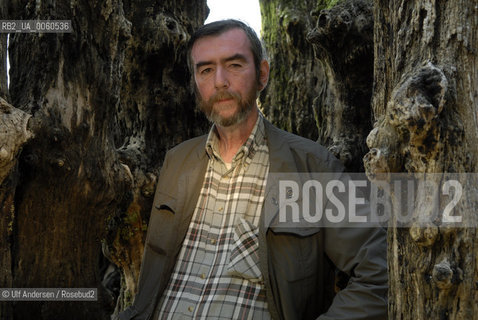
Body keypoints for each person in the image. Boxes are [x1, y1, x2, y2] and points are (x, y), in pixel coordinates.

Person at [118, 19, 387, 320]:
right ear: (195, 82)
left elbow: (379, 273)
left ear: (262, 74)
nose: (220, 81)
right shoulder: (177, 161)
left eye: (234, 65)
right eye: (206, 70)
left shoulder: (313, 168)